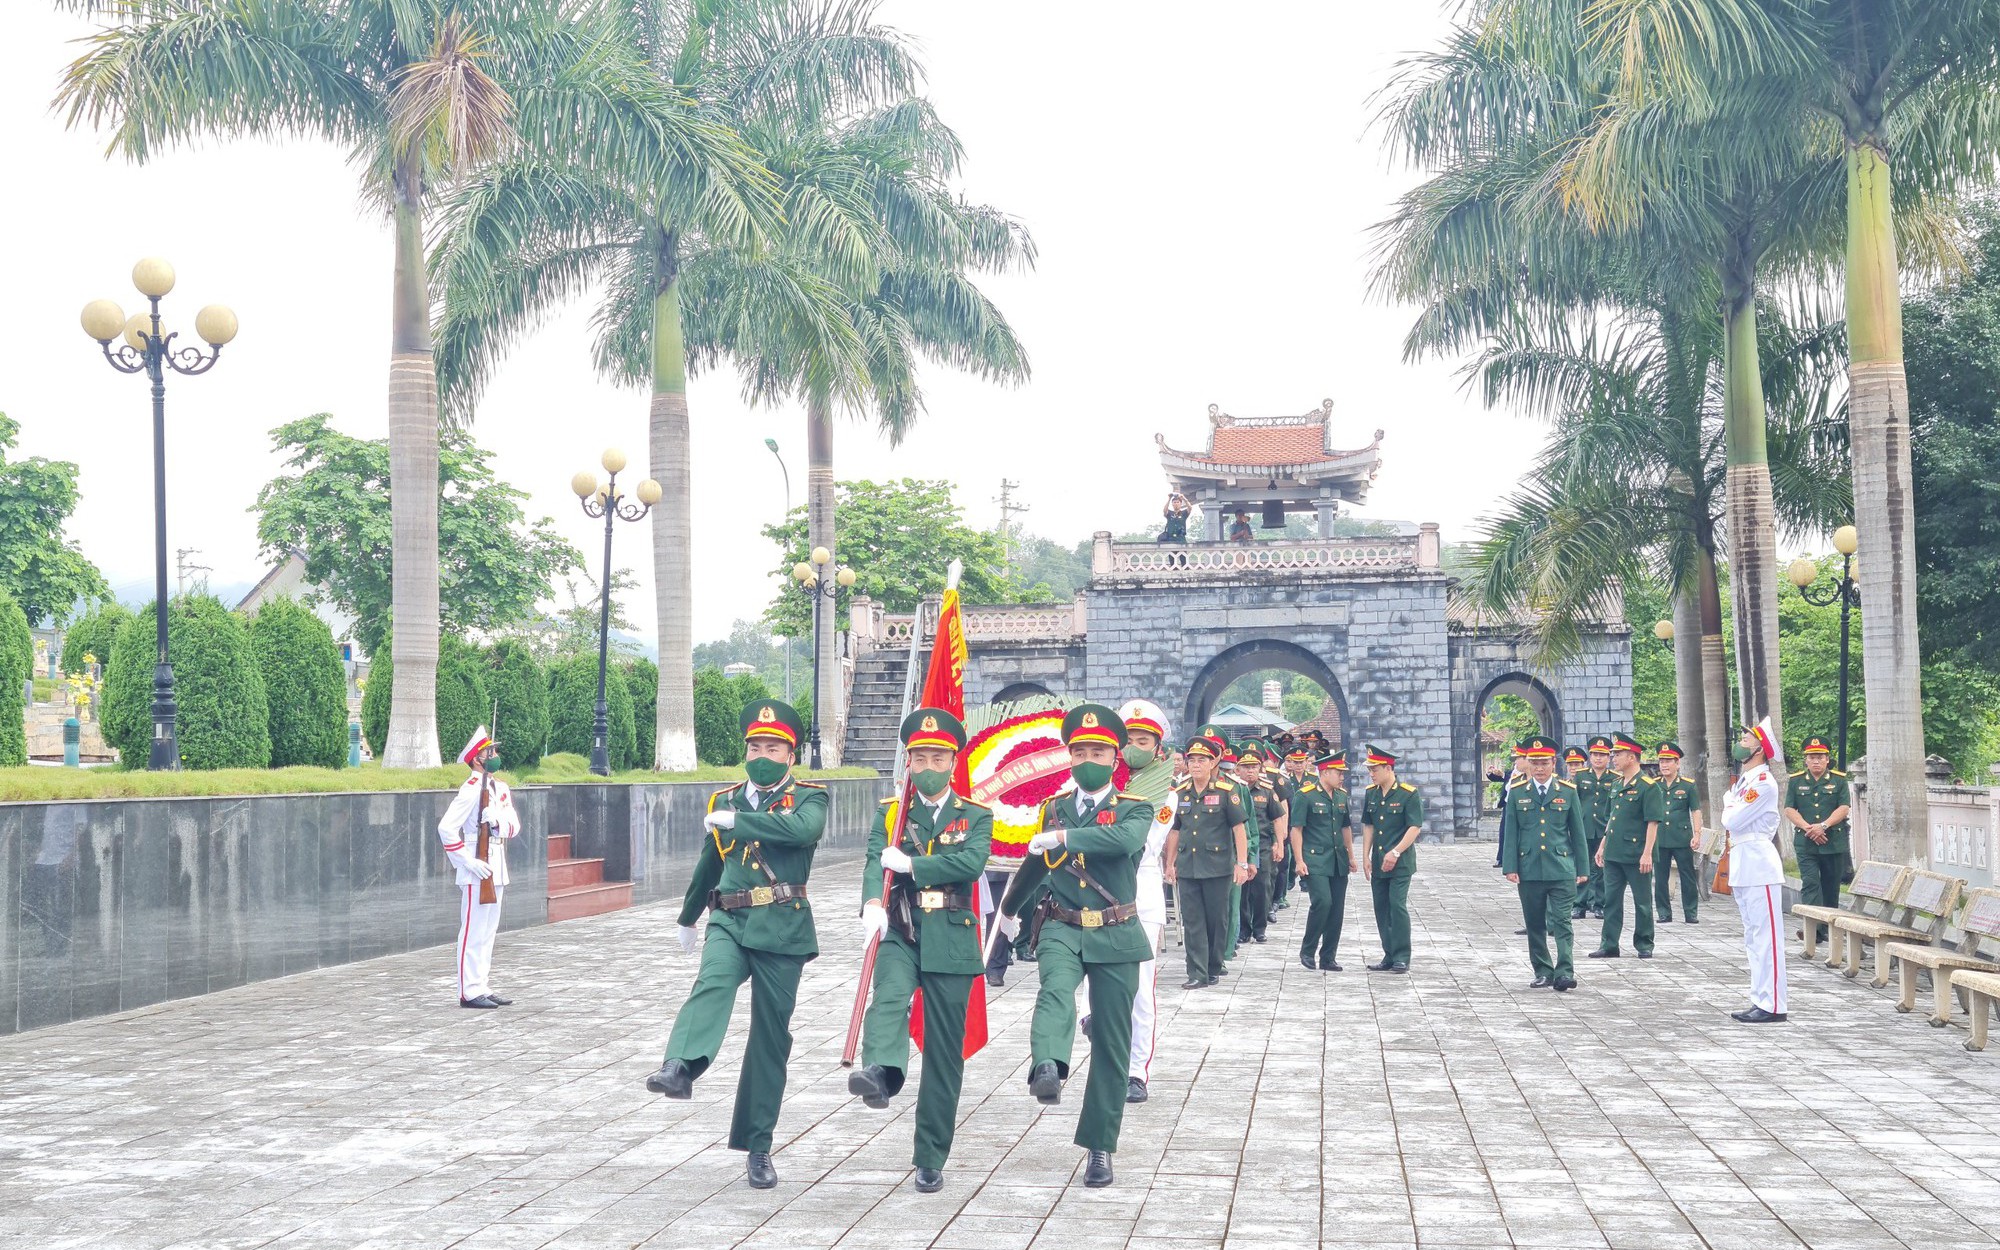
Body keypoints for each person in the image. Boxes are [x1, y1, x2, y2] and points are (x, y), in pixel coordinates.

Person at [646, 699, 829, 1190]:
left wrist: (741, 822)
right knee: (712, 982)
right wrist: (688, 917)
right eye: (755, 746)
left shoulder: (811, 798)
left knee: (770, 1039)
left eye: (773, 747)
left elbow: (801, 832)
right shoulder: (723, 799)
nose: (762, 754)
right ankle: (680, 1065)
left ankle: (759, 1146)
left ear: (791, 755)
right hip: (729, 918)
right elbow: (711, 861)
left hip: (784, 928)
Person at [1000, 704, 1156, 1188]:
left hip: (1115, 929)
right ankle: (1048, 1065)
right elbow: (1038, 862)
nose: (1088, 758)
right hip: (1062, 924)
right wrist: (1009, 910)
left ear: (1115, 758)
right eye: (1080, 751)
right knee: (1054, 989)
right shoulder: (1054, 807)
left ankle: (1099, 1146)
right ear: (1070, 756)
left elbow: (1121, 841)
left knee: (1112, 1043)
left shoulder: (1135, 807)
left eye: (1098, 751)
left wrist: (1063, 835)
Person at [850, 708, 993, 1194]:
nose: (927, 766)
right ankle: (881, 1072)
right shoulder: (891, 813)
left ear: (953, 761)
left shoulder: (975, 815)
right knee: (887, 996)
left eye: (937, 757)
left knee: (943, 1056)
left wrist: (912, 863)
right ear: (907, 761)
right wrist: (872, 901)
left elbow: (969, 863)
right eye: (919, 757)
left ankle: (930, 1155)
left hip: (952, 935)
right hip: (902, 929)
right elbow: (875, 860)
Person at [1110, 699, 1177, 1104]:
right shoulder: (1101, 785)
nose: (1134, 746)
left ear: (1157, 747)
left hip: (1141, 894)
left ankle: (1136, 1071)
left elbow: (1142, 843)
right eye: (1128, 739)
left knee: (1139, 989)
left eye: (1142, 740)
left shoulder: (1164, 794)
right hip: (1093, 893)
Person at [436, 726, 520, 1009]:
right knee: (472, 930)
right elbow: (446, 828)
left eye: (494, 751)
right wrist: (466, 861)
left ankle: (481, 985)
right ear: (477, 759)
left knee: (487, 931)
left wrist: (496, 820)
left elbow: (514, 827)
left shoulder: (501, 788)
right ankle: (468, 991)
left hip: (496, 864)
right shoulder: (471, 788)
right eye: (489, 752)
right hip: (476, 867)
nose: (495, 755)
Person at [1500, 735, 1588, 990]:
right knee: (1535, 923)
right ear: (1528, 763)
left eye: (1544, 763)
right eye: (1535, 762)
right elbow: (1511, 833)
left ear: (1554, 763)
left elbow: (1578, 833)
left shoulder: (1568, 792)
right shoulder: (1518, 793)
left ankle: (1565, 972)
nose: (1539, 768)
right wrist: (1510, 867)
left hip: (1561, 867)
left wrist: (1582, 868)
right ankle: (1543, 970)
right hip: (1529, 869)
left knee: (1562, 922)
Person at [1164, 735, 1250, 988]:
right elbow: (1174, 831)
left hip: (1217, 867)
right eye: (1192, 760)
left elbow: (1239, 829)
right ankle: (1196, 973)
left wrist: (1242, 864)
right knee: (1192, 922)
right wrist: (1170, 864)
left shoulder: (1227, 792)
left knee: (1216, 920)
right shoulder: (1180, 794)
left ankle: (1213, 965)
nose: (1196, 765)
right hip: (1188, 867)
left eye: (1202, 760)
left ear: (1213, 763)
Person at [1723, 719, 1788, 1023]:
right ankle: (1760, 998)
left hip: (1760, 865)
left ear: (1760, 749)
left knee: (1767, 938)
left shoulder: (1762, 782)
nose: (1742, 742)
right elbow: (1733, 818)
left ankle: (1773, 1004)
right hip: (1744, 862)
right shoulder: (1745, 782)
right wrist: (1731, 803)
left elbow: (1732, 822)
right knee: (1753, 937)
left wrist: (1728, 804)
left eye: (1747, 739)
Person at [1589, 732, 1663, 960]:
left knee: (1642, 902)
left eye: (1617, 754)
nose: (1613, 758)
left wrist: (1647, 853)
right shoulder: (1616, 784)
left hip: (1636, 853)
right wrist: (1602, 846)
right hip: (1613, 853)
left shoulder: (1648, 786)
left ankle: (1644, 943)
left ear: (1632, 757)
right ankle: (1609, 944)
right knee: (1611, 900)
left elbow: (1653, 822)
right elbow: (1611, 819)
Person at [1361, 745, 1424, 973]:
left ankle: (1402, 956)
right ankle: (1388, 954)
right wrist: (1365, 855)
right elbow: (1368, 824)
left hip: (1401, 862)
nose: (1371, 773)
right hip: (1378, 861)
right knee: (1381, 908)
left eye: (1374, 769)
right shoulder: (1372, 792)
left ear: (1388, 768)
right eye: (1370, 770)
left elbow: (1414, 826)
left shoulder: (1408, 793)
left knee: (1397, 906)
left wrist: (1396, 852)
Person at [1784, 735, 1851, 946]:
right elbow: (1789, 809)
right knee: (1811, 883)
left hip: (1833, 841)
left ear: (1827, 759)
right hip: (1806, 842)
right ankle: (1812, 929)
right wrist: (1808, 828)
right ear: (1805, 760)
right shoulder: (1796, 781)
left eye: (1820, 757)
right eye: (1812, 757)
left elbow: (1844, 807)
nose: (1816, 761)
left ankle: (1827, 930)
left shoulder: (1839, 780)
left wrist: (1823, 826)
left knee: (1831, 888)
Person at [1292, 750, 1356, 970]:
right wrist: (1299, 860)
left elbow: (1345, 827)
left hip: (1338, 860)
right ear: (1325, 772)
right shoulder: (1306, 795)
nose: (1342, 777)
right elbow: (1296, 829)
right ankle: (1307, 950)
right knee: (1322, 902)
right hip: (1315, 860)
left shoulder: (1340, 796)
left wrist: (1351, 855)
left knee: (1337, 909)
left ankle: (1328, 957)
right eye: (1339, 773)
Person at [1236, 743, 1285, 945]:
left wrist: (1279, 843)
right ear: (1238, 769)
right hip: (1241, 846)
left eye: (1254, 767)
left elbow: (1276, 819)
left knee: (1262, 887)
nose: (1250, 771)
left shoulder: (1266, 791)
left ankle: (1259, 928)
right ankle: (1244, 929)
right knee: (1243, 889)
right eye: (1246, 767)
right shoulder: (1234, 790)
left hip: (1263, 845)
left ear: (1260, 769)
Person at [1652, 741, 1704, 925]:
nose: (1664, 765)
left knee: (1687, 876)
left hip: (1682, 838)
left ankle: (1691, 912)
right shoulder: (1654, 785)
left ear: (1677, 763)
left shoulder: (1688, 786)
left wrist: (1697, 834)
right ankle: (1664, 912)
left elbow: (1696, 810)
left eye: (1668, 761)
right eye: (1661, 761)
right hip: (1659, 838)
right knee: (1660, 878)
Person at [1574, 736, 1615, 919]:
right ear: (1590, 756)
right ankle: (1579, 905)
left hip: (1604, 829)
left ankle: (1599, 904)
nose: (1598, 758)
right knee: (1582, 866)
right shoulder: (1581, 775)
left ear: (1608, 757)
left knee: (1600, 867)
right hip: (1584, 827)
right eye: (1595, 754)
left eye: (1602, 755)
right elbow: (1574, 802)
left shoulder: (1615, 778)